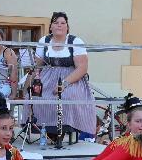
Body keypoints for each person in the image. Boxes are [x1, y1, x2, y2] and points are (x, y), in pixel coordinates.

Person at [28, 12, 94, 141]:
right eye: (56, 22)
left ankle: (63, 130)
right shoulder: (44, 41)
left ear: (67, 27)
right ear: (51, 26)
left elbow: (82, 68)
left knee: (67, 96)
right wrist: (33, 81)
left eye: (63, 23)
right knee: (34, 96)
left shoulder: (75, 41)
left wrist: (63, 84)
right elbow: (37, 66)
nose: (59, 25)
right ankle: (46, 130)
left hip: (71, 78)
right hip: (47, 76)